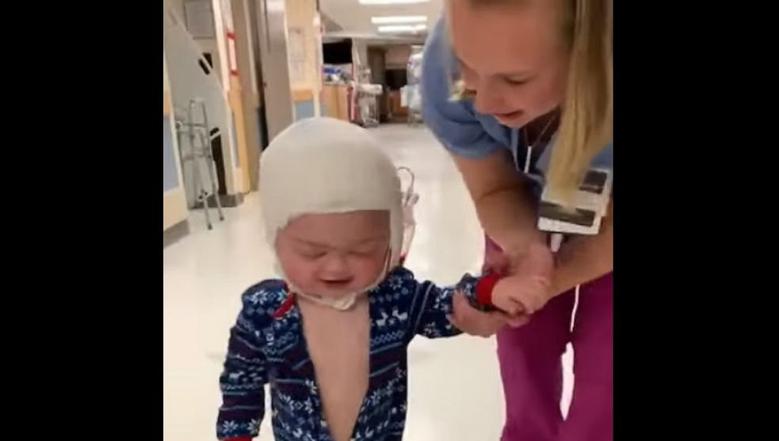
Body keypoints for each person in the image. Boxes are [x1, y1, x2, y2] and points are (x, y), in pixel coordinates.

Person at [215, 117, 519, 441]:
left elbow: (448, 305)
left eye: (362, 250)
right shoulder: (264, 313)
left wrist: (489, 292)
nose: (336, 268)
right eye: (312, 252)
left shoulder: (396, 297)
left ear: (391, 238)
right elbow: (241, 384)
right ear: (275, 240)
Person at [420, 1, 613, 441]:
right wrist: (525, 257)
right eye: (468, 70)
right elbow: (495, 190)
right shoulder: (443, 68)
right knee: (523, 354)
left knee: (606, 373)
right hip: (524, 197)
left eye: (516, 79)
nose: (484, 102)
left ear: (584, 52)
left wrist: (547, 282)